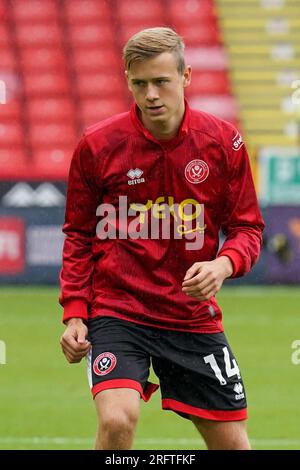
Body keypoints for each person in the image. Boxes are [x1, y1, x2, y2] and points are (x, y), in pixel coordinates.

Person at [59, 27, 264, 450]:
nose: (151, 94)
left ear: (186, 76)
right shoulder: (97, 146)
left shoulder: (224, 143)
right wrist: (76, 313)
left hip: (189, 315)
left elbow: (247, 228)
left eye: (161, 81)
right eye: (139, 83)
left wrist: (222, 264)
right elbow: (79, 234)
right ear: (128, 81)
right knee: (118, 421)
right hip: (119, 309)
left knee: (234, 446)